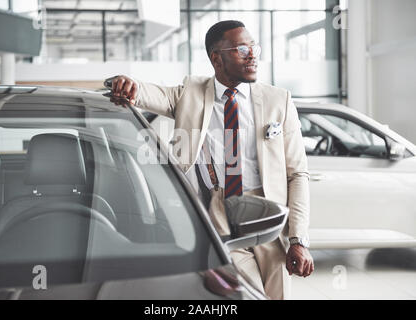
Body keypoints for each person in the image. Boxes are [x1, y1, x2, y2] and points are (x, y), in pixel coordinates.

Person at [108, 20, 314, 300]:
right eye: (242, 49)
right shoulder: (191, 92)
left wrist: (298, 239)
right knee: (247, 294)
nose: (252, 54)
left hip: (269, 214)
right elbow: (149, 93)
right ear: (216, 58)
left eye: (254, 47)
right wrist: (126, 83)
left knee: (278, 295)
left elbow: (297, 174)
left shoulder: (279, 100)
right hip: (220, 210)